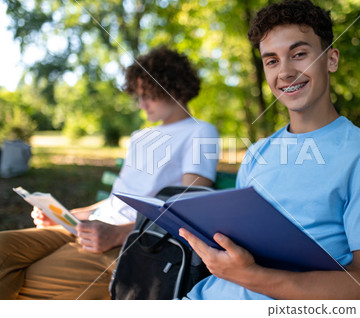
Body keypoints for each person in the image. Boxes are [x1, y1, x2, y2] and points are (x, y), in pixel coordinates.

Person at [179, 0, 360, 300]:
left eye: (299, 54)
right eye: (271, 60)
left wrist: (252, 276)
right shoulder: (257, 152)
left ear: (332, 60)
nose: (285, 72)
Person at [0, 46, 219, 300]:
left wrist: (116, 234)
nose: (141, 104)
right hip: (90, 228)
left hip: (130, 240)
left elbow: (188, 209)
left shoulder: (200, 131)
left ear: (173, 87)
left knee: (26, 278)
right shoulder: (140, 137)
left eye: (147, 95)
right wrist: (65, 215)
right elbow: (116, 199)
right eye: (138, 96)